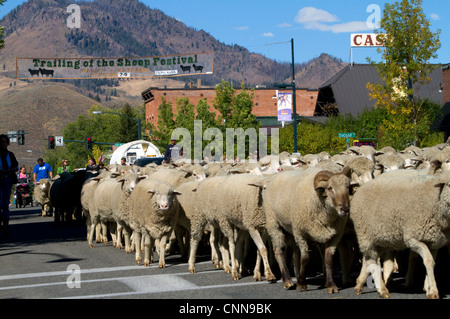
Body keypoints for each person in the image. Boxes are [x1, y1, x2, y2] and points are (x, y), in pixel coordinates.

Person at [0, 134, 19, 237]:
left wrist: (9, 170)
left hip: (7, 180)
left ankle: (6, 228)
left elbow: (16, 166)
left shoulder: (10, 155)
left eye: (4, 142)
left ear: (7, 143)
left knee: (5, 205)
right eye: (1, 142)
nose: (3, 143)